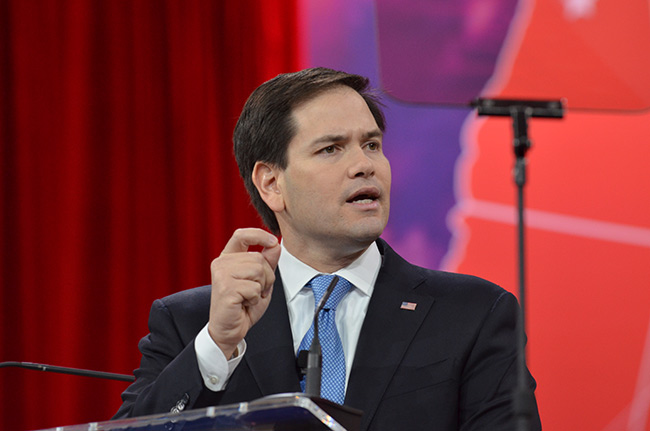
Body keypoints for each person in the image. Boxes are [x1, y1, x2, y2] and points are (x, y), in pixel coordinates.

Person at [113, 67, 541, 430]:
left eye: (371, 144)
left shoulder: (473, 313)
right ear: (271, 183)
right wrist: (218, 345)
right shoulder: (192, 322)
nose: (364, 164)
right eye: (331, 149)